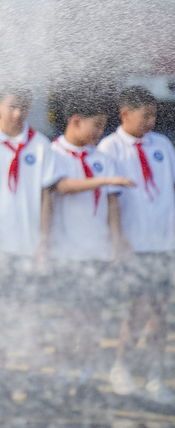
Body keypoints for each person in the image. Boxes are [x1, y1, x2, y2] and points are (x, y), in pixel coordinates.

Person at [0, 88, 59, 414]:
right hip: (0, 249)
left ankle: (34, 388)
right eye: (11, 107)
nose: (17, 114)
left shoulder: (41, 144)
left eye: (23, 107)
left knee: (33, 321)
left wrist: (43, 246)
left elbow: (46, 197)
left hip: (30, 247)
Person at [47, 94, 134, 408]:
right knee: (70, 321)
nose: (100, 132)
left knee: (93, 320)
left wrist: (115, 243)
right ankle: (61, 379)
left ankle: (86, 379)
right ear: (75, 121)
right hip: (67, 254)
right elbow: (63, 186)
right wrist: (105, 179)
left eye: (103, 126)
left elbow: (113, 204)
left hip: (97, 253)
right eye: (95, 125)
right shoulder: (54, 153)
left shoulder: (102, 158)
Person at [98, 86, 175, 404]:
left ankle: (156, 376)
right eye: (146, 116)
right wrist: (118, 242)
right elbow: (106, 200)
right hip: (133, 244)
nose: (151, 122)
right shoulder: (108, 148)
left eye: (155, 115)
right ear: (125, 114)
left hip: (165, 242)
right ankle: (121, 366)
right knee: (140, 307)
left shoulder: (163, 144)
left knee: (161, 312)